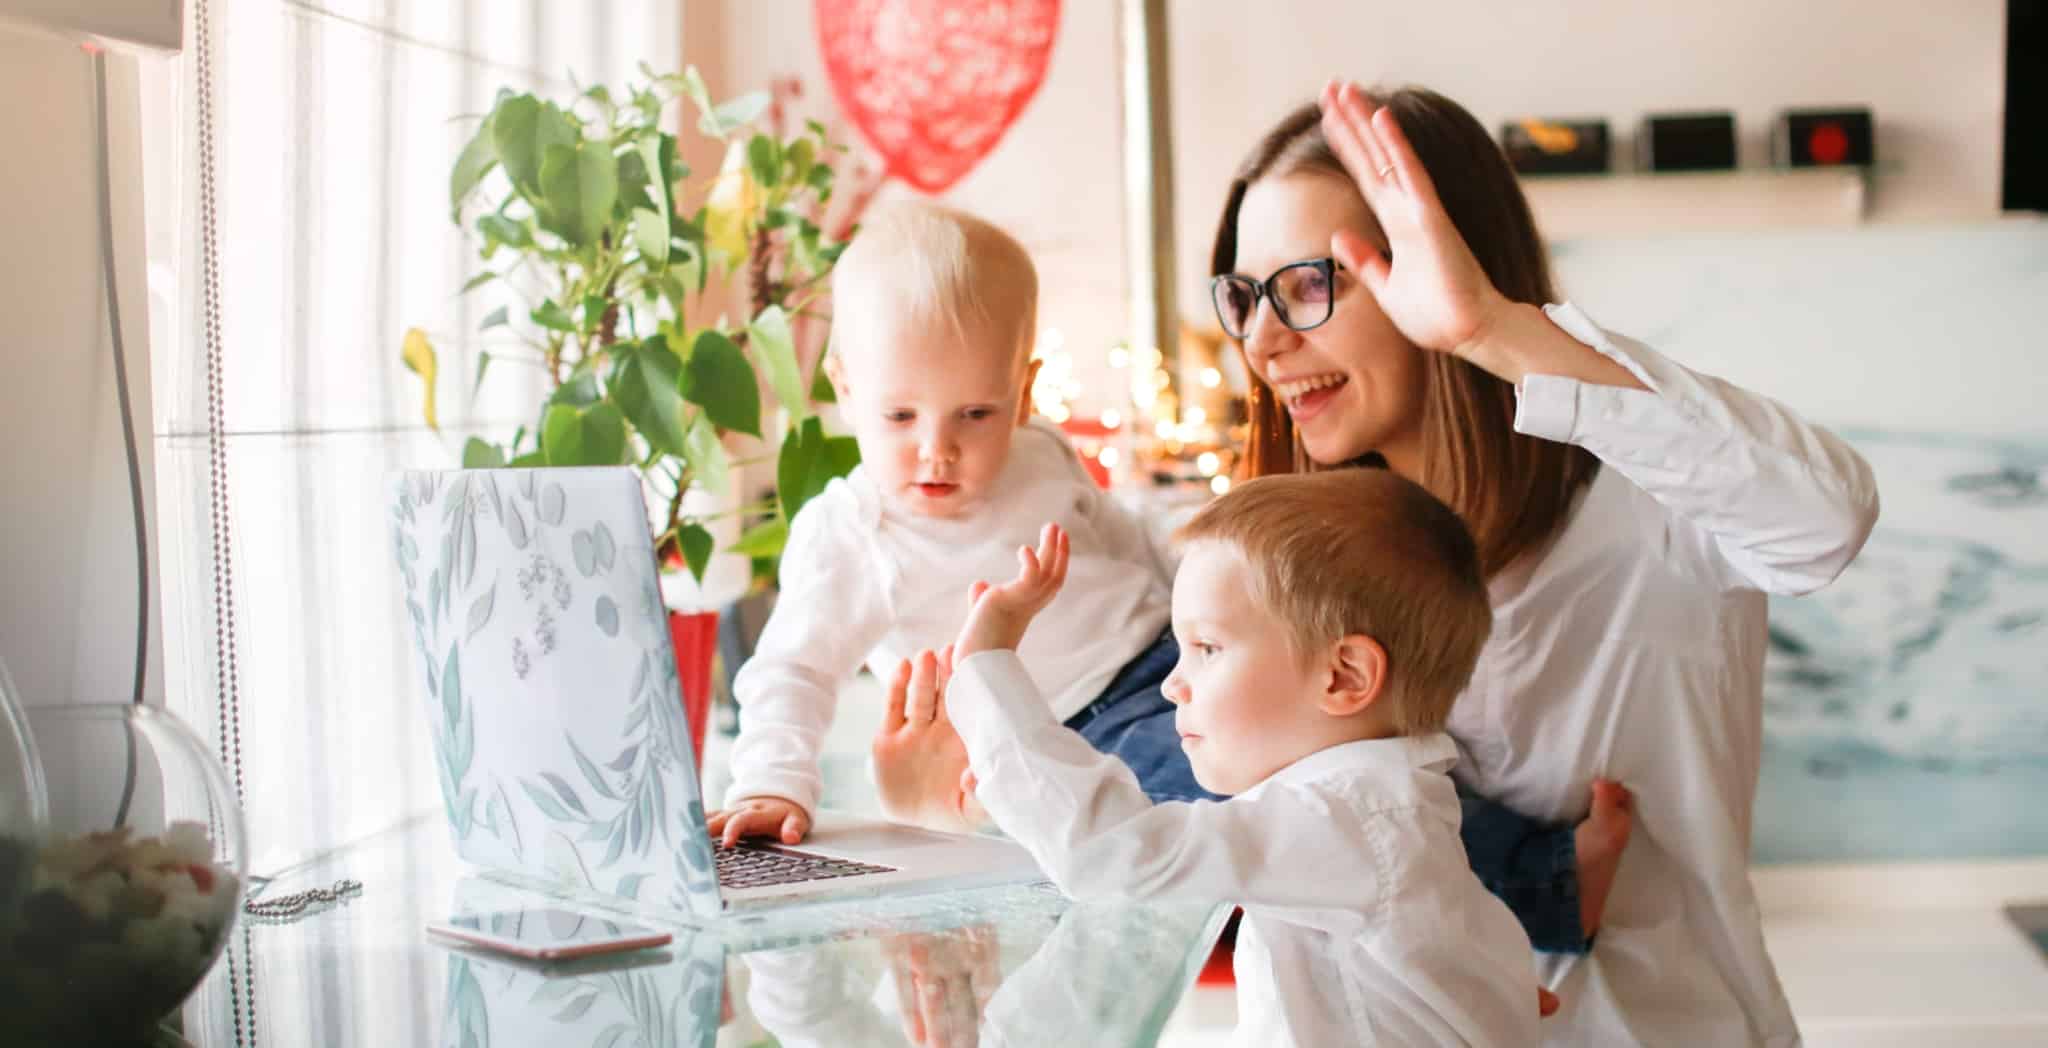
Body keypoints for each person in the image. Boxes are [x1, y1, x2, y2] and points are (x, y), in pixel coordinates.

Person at [1204, 79, 1879, 1044]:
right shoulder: (1285, 560)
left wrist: (1490, 328)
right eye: (1243, 295)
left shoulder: (1648, 509)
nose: (1264, 342)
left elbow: (1826, 520)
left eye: (1310, 285)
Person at [930, 470, 1547, 1047]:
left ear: (1342, 675)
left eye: (1206, 647)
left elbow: (1113, 853)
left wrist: (986, 668)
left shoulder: (1349, 816)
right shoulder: (1378, 810)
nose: (1173, 685)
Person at [707, 201, 1214, 849]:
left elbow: (1125, 543)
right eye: (900, 417)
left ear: (1022, 393)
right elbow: (792, 671)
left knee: (1308, 754)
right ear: (846, 388)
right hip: (1068, 734)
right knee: (1212, 824)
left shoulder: (1039, 450)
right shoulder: (855, 532)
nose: (937, 449)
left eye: (976, 413)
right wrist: (771, 783)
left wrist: (1206, 589)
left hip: (1176, 665)